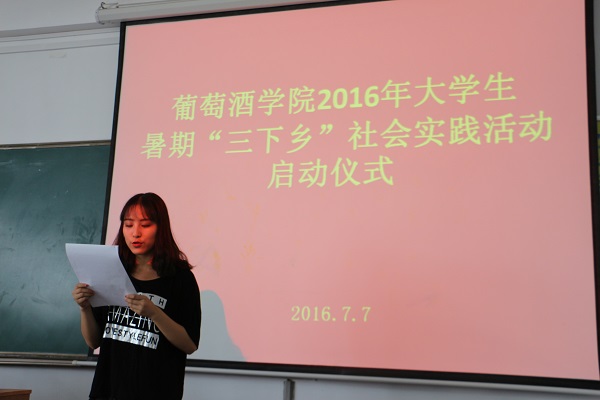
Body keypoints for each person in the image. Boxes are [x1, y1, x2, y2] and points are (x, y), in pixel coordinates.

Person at [72, 193, 201, 400]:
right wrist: (84, 307)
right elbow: (93, 341)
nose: (136, 233)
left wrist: (155, 313)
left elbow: (189, 344)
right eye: (128, 225)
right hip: (108, 391)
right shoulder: (110, 271)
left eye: (145, 225)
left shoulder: (181, 278)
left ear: (161, 228)